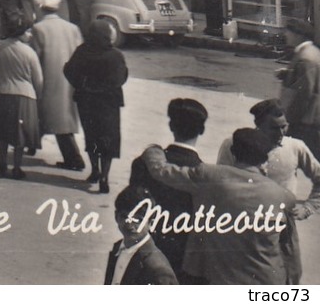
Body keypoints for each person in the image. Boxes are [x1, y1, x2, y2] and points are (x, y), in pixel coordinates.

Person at [139, 127, 295, 286]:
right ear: (264, 161)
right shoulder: (283, 196)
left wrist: (154, 150)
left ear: (233, 154)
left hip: (214, 279)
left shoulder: (209, 176)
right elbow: (290, 252)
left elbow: (162, 170)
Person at [216, 98, 320, 281]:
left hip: (282, 224)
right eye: (274, 128)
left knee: (290, 275)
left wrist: (309, 207)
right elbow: (220, 182)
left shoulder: (296, 147)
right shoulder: (234, 144)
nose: (281, 133)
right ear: (258, 126)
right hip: (242, 222)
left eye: (284, 126)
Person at [126, 97, 208, 282]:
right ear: (202, 130)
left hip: (145, 245)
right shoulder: (204, 173)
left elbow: (131, 205)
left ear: (171, 126)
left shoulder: (142, 163)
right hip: (183, 255)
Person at [63, 18, 128, 194]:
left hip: (87, 101)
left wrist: (82, 83)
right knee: (108, 138)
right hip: (108, 104)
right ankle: (105, 176)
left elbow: (68, 70)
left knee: (91, 136)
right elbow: (121, 78)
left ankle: (94, 171)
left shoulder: (82, 52)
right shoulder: (115, 55)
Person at [27, 0, 85, 171]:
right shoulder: (72, 28)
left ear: (40, 8)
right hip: (70, 78)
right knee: (61, 115)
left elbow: (33, 57)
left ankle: (74, 159)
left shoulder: (38, 29)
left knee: (51, 116)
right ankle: (31, 144)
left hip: (48, 76)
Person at [0, 25, 42, 179]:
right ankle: (17, 167)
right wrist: (39, 96)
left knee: (3, 132)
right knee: (20, 134)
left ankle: (2, 164)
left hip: (0, 91)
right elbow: (38, 79)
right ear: (19, 33)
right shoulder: (30, 52)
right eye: (27, 32)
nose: (29, 35)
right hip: (24, 94)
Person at [104, 184, 179, 285]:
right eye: (124, 217)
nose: (130, 225)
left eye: (139, 219)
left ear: (151, 223)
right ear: (116, 217)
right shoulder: (118, 247)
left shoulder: (158, 270)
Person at [280, 39, 320, 156]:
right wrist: (287, 74)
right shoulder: (311, 52)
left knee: (285, 148)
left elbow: (306, 91)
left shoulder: (306, 57)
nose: (286, 36)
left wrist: (291, 117)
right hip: (310, 116)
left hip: (306, 117)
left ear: (296, 35)